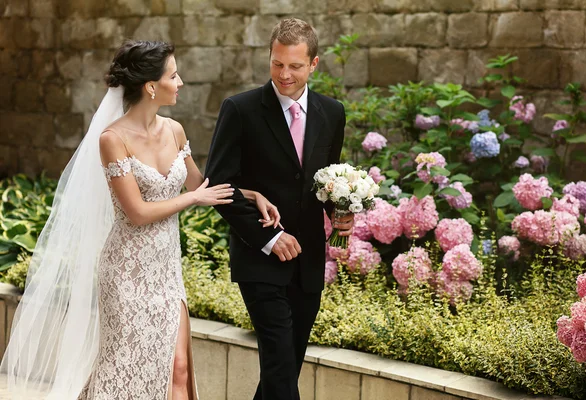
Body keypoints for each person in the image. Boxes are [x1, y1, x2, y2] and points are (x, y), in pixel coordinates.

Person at [1, 40, 281, 400]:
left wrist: (253, 196)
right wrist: (192, 199)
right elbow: (136, 213)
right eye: (174, 75)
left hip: (166, 271)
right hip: (126, 273)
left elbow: (202, 184)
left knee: (178, 369)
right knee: (124, 370)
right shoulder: (112, 139)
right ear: (151, 86)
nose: (180, 82)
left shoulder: (175, 130)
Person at [205, 18, 354, 400]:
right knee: (280, 367)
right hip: (260, 258)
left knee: (284, 369)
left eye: (295, 66)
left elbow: (325, 181)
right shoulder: (240, 110)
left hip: (307, 263)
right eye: (277, 63)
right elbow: (220, 186)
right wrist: (269, 238)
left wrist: (342, 210)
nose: (284, 74)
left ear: (314, 64)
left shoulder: (332, 112)